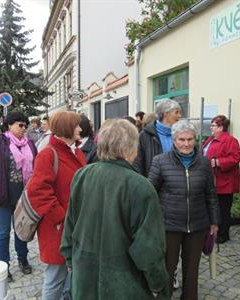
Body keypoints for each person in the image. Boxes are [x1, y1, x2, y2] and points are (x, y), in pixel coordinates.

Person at [60, 119, 169, 299]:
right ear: (126, 149)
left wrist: (70, 259)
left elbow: (70, 223)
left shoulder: (82, 175)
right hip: (124, 284)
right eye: (136, 146)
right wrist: (157, 284)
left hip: (84, 277)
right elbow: (149, 247)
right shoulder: (140, 186)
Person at [148, 120, 219, 300]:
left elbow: (211, 193)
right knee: (168, 268)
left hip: (197, 225)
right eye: (181, 139)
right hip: (169, 225)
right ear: (174, 140)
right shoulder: (160, 161)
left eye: (190, 139)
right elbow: (149, 192)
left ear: (195, 139)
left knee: (192, 268)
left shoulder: (204, 163)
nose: (186, 144)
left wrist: (214, 221)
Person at [26, 111, 86, 300]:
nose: (80, 129)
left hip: (74, 226)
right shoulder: (48, 155)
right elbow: (38, 192)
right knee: (55, 278)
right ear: (66, 128)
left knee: (71, 276)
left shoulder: (76, 151)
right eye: (76, 125)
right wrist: (61, 218)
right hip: (57, 228)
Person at [0, 111, 37, 282]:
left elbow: (37, 167)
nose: (23, 128)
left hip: (22, 198)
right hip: (0, 199)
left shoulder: (30, 145)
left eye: (25, 125)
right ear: (9, 125)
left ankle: (23, 259)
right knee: (3, 233)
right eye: (20, 125)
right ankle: (4, 265)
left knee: (21, 231)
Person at [201, 115, 240, 244]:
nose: (211, 128)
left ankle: (223, 234)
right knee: (212, 208)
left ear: (221, 127)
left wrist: (218, 162)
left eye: (213, 125)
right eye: (211, 125)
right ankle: (212, 231)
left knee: (223, 209)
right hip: (210, 179)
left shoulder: (230, 140)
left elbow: (235, 158)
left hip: (224, 182)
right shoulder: (211, 139)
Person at [134, 99, 182, 177]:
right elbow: (138, 163)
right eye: (176, 112)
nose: (180, 116)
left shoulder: (182, 133)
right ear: (166, 114)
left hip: (177, 183)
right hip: (153, 184)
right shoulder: (145, 135)